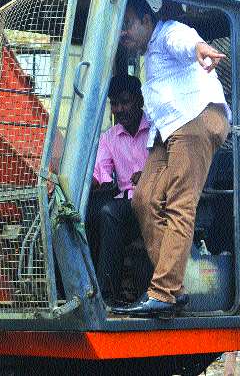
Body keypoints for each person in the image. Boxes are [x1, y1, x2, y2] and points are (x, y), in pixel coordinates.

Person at [113, 0, 231, 316]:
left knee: (179, 204)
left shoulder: (168, 33)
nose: (122, 33)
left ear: (146, 20)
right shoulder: (148, 55)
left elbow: (186, 41)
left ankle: (164, 291)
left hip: (196, 117)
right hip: (169, 129)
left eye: (127, 25)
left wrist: (200, 49)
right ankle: (176, 290)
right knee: (144, 199)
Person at [88, 74, 152, 306]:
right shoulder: (109, 138)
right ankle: (103, 295)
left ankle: (109, 295)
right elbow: (100, 173)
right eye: (114, 104)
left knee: (109, 212)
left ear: (139, 101)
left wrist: (149, 176)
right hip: (127, 205)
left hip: (154, 200)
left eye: (125, 102)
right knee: (93, 213)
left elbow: (170, 166)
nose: (119, 109)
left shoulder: (156, 129)